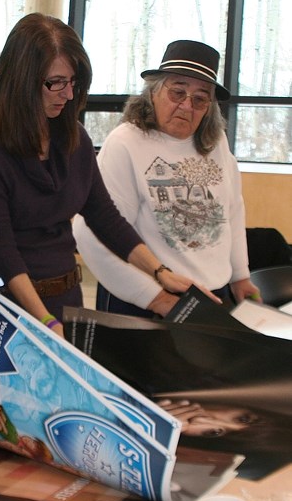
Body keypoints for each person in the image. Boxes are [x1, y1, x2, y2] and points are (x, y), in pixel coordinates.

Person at [0, 13, 213, 336]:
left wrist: (161, 272)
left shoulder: (72, 137)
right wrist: (45, 322)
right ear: (20, 79)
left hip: (60, 298)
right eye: (56, 83)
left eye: (73, 83)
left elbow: (105, 217)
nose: (67, 94)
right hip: (0, 304)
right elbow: (3, 251)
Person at [72, 39, 260, 318]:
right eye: (177, 92)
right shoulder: (126, 142)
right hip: (144, 299)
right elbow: (90, 232)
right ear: (153, 92)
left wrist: (240, 275)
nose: (186, 106)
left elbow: (232, 210)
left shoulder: (215, 142)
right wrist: (157, 298)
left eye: (200, 99)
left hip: (212, 297)